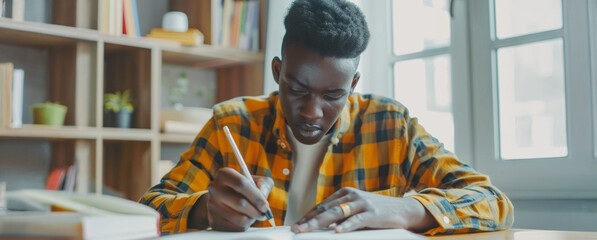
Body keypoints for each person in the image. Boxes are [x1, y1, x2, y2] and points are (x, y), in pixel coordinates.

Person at [140, 0, 514, 235]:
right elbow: (148, 209)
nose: (311, 111)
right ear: (277, 71)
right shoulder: (232, 123)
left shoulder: (390, 124)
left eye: (333, 95)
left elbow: (492, 201)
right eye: (298, 89)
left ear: (353, 84)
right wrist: (203, 209)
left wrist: (405, 209)